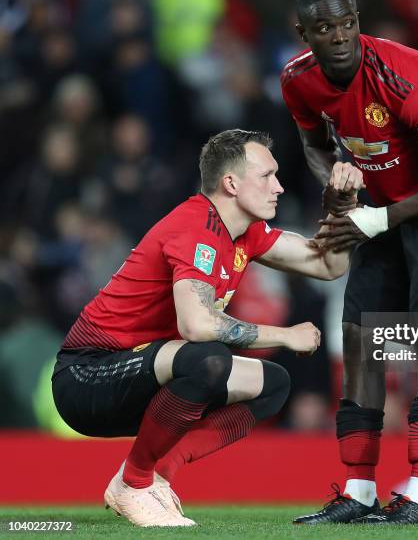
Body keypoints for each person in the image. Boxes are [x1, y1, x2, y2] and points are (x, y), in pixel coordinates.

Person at [51, 129, 353, 528]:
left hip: (144, 375)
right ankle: (133, 481)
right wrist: (283, 335)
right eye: (267, 176)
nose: (279, 187)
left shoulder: (246, 232)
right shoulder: (196, 229)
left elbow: (328, 266)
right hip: (86, 377)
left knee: (272, 383)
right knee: (207, 358)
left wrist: (343, 208)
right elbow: (196, 326)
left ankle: (157, 476)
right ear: (231, 183)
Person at [281, 0, 418, 525]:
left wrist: (382, 216)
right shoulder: (298, 80)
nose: (340, 37)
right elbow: (312, 143)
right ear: (304, 33)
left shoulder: (404, 75)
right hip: (377, 211)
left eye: (347, 23)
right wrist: (336, 181)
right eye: (325, 28)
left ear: (359, 20)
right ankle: (358, 490)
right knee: (360, 339)